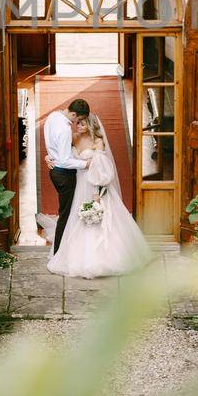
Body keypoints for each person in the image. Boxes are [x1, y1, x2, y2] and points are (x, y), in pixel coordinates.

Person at [47, 114, 152, 278]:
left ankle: (104, 258)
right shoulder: (73, 138)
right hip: (79, 183)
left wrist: (97, 193)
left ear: (89, 124)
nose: (78, 126)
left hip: (93, 185)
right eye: (78, 123)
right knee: (76, 217)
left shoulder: (98, 142)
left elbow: (101, 169)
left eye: (81, 123)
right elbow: (61, 153)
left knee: (99, 218)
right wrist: (49, 157)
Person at [43, 98, 91, 255]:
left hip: (54, 171)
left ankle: (66, 248)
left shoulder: (52, 116)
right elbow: (64, 161)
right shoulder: (64, 130)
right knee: (66, 214)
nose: (78, 123)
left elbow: (51, 143)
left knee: (66, 212)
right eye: (79, 119)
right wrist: (85, 165)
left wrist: (49, 155)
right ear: (73, 114)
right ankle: (59, 252)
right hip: (64, 174)